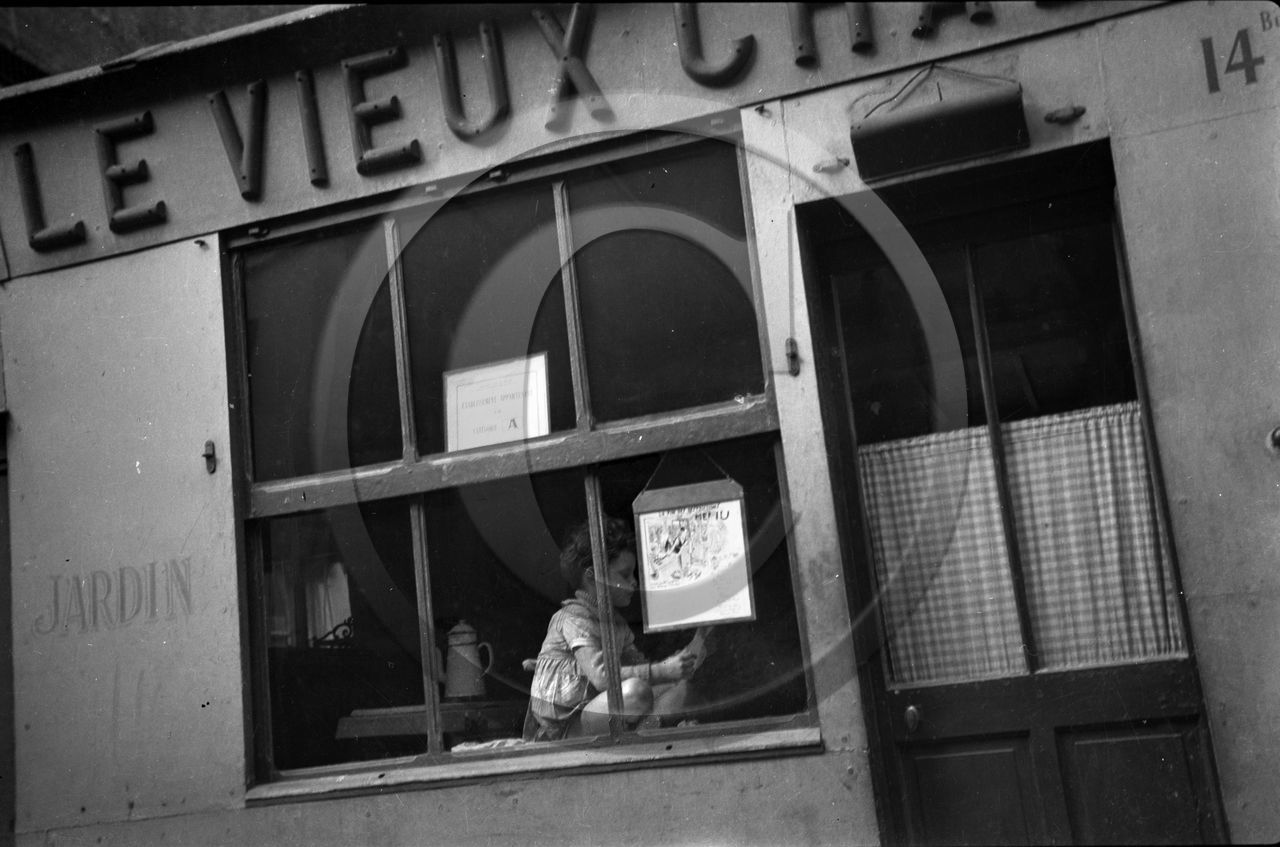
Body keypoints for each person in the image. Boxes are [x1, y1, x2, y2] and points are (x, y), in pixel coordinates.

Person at [526, 517, 699, 741]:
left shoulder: (617, 624)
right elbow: (602, 677)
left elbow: (640, 666)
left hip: (604, 712)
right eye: (625, 575)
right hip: (571, 726)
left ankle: (645, 730)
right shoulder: (573, 618)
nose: (634, 582)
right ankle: (645, 730)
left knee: (679, 687)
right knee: (635, 691)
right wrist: (663, 670)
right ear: (592, 576)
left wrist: (679, 663)